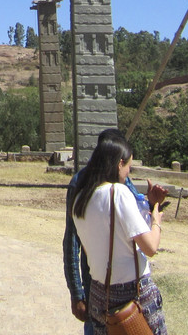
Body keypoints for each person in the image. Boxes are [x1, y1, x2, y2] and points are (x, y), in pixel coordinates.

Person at [69, 132, 167, 335]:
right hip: (131, 292)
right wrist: (156, 220)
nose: (128, 173)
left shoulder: (79, 200)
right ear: (119, 164)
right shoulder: (118, 193)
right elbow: (150, 248)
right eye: (128, 167)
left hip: (98, 292)